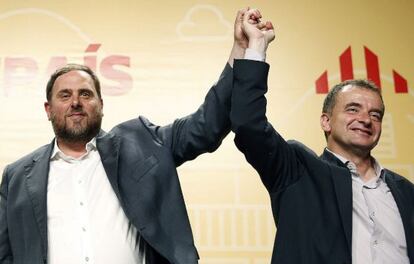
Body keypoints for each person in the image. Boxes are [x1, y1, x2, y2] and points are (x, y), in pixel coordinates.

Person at [0, 8, 265, 264]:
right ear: (48, 109)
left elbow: (208, 124)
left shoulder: (143, 141)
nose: (76, 102)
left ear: (101, 104)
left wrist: (242, 49)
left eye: (85, 94)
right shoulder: (17, 177)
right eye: (65, 95)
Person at [230, 9, 414, 264]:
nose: (365, 119)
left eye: (375, 114)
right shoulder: (297, 170)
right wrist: (256, 47)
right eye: (353, 109)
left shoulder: (406, 192)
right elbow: (248, 124)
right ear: (325, 121)